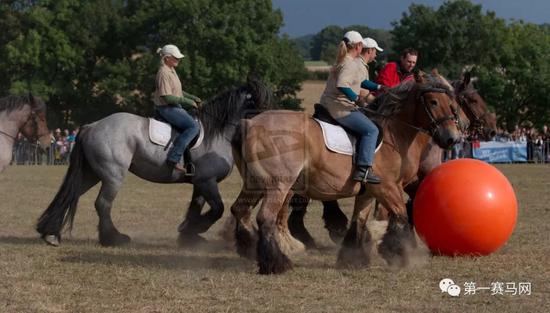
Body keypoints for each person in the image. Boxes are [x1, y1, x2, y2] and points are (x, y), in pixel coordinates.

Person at [319, 31, 382, 184]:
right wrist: (356, 98)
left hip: (333, 105)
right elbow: (342, 84)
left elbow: (362, 82)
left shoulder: (348, 60)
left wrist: (380, 86)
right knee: (371, 130)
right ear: (359, 46)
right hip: (340, 108)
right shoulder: (348, 62)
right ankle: (363, 169)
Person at [153, 44, 201, 173]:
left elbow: (178, 92)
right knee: (193, 127)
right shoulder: (163, 72)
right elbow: (168, 98)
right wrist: (188, 101)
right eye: (176, 58)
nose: (178, 60)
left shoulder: (171, 70)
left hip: (173, 106)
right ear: (167, 58)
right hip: (166, 108)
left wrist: (192, 97)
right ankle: (173, 158)